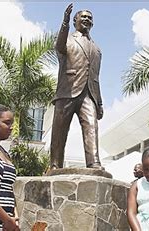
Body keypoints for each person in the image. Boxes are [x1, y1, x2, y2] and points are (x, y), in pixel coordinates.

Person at [50, 3, 104, 169]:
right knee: (60, 131)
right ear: (75, 21)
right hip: (67, 92)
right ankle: (55, 163)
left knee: (91, 126)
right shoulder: (66, 40)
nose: (87, 19)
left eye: (90, 18)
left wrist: (99, 102)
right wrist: (64, 22)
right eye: (83, 17)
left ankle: (93, 161)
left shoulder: (97, 49)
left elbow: (96, 78)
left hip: (89, 94)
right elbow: (59, 46)